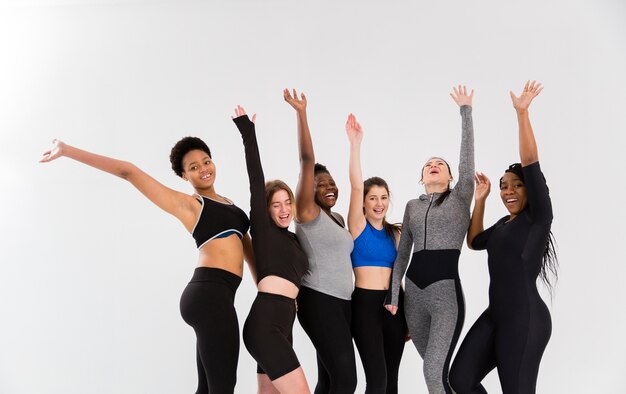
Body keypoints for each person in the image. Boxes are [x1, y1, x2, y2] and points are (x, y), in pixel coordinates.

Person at [39, 137, 254, 394]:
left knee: (209, 387)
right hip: (210, 295)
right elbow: (128, 171)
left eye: (206, 161)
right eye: (194, 167)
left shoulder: (233, 208)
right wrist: (67, 150)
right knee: (223, 386)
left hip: (216, 296)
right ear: (184, 175)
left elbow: (250, 256)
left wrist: (271, 292)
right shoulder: (191, 205)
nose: (203, 168)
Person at [449, 81, 557, 394]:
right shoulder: (503, 225)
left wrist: (522, 114)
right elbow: (474, 241)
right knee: (460, 380)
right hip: (495, 314)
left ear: (530, 190)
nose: (507, 191)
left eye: (516, 185)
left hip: (525, 319)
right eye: (503, 186)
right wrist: (480, 199)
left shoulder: (537, 218)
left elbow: (530, 162)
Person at [385, 85, 475, 393]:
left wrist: (466, 111)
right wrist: (394, 296)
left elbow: (467, 162)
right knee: (438, 375)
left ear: (450, 177)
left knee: (433, 372)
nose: (433, 166)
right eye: (427, 165)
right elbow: (402, 254)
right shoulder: (412, 206)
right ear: (422, 177)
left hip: (445, 296)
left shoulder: (460, 198)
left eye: (440, 164)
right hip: (414, 298)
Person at [231, 105, 311, 394]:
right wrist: (247, 132)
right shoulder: (263, 230)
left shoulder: (294, 240)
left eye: (287, 202)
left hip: (283, 323)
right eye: (276, 204)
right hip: (265, 324)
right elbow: (255, 179)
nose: (284, 209)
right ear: (266, 209)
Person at [283, 89, 357, 394]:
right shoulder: (307, 213)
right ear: (308, 191)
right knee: (345, 381)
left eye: (330, 182)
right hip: (319, 301)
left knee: (329, 381)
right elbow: (306, 159)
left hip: (342, 304)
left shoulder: (337, 220)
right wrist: (302, 113)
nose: (327, 187)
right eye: (318, 183)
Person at [344, 113, 407, 394]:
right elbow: (356, 184)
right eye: (373, 198)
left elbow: (402, 275)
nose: (379, 203)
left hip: (395, 305)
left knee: (391, 382)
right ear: (364, 203)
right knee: (377, 381)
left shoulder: (396, 233)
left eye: (383, 197)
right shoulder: (357, 227)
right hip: (365, 305)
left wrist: (409, 315)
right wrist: (355, 144)